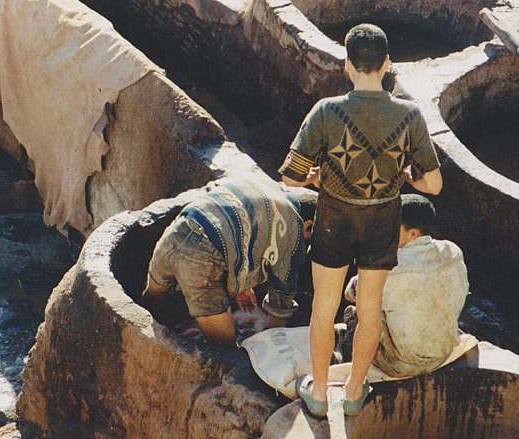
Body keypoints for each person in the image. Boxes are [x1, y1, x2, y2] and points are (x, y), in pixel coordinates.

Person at [279, 24, 443, 416]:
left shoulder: (327, 111)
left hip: (334, 216)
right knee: (369, 308)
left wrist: (318, 176)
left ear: (347, 65)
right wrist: (402, 175)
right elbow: (433, 185)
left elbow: (289, 177)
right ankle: (353, 393)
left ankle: (318, 393)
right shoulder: (410, 115)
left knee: (324, 305)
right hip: (384, 218)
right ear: (387, 64)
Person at [141, 178, 316, 346]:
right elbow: (281, 297)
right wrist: (274, 341)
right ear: (307, 224)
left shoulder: (263, 187)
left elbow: (239, 229)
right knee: (223, 347)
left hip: (176, 232)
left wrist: (243, 286)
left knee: (150, 304)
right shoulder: (294, 225)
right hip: (201, 259)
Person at [341, 194, 469, 378]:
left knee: (355, 312)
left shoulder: (389, 266)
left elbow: (349, 293)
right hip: (443, 353)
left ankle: (352, 362)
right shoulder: (453, 251)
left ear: (413, 233)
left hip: (401, 365)